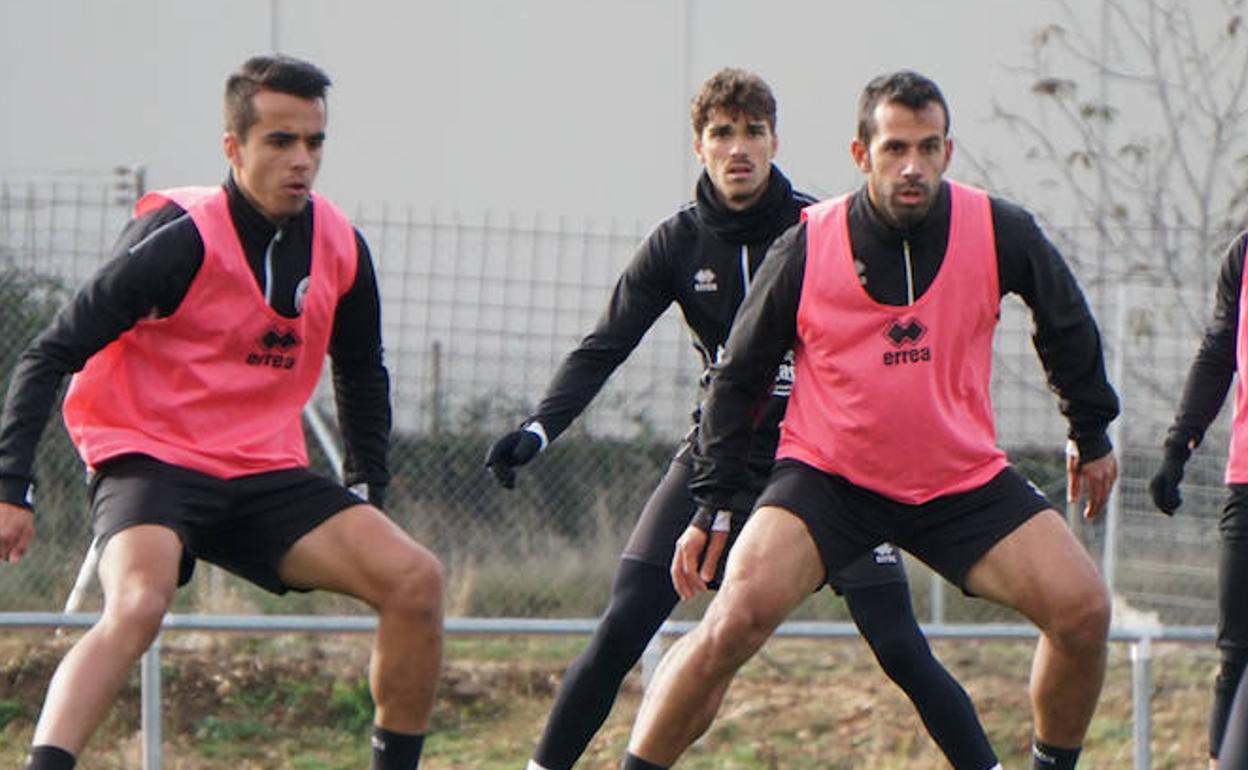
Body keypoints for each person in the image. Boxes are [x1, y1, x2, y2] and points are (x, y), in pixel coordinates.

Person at [486, 67, 1000, 770]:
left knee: (901, 647)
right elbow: (605, 345)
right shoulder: (677, 244)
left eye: (753, 132)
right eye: (722, 133)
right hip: (716, 463)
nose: (739, 148)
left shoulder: (825, 230)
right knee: (622, 625)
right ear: (698, 145)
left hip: (822, 467)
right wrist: (539, 428)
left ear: (774, 139)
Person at [617, 70, 1120, 770]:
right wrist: (714, 502)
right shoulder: (808, 243)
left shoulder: (999, 228)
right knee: (734, 619)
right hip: (830, 480)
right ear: (862, 155)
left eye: (927, 147)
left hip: (959, 479)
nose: (911, 166)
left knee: (1084, 610)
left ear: (948, 151)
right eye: (893, 149)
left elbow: (1065, 321)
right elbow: (739, 377)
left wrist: (1090, 430)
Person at [0, 54, 442, 770]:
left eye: (314, 142)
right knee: (139, 606)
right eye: (279, 141)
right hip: (151, 458)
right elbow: (49, 353)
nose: (301, 160)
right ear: (233, 147)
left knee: (416, 579)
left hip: (262, 469)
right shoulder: (177, 240)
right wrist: (10, 486)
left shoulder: (340, 246)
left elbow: (360, 371)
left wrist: (368, 489)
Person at [1149, 228, 1248, 768]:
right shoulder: (1244, 254)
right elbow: (1219, 351)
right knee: (1237, 654)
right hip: (1247, 483)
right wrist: (1177, 446)